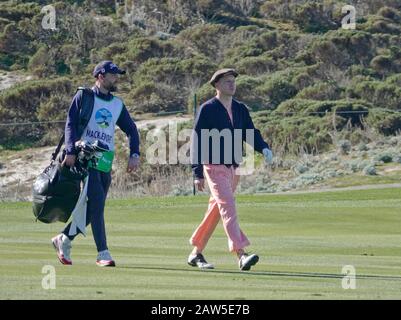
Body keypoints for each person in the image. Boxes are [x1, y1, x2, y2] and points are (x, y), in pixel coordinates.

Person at [51, 61, 140, 267]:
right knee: (98, 202)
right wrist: (71, 150)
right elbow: (70, 124)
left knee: (94, 206)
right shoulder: (84, 96)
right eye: (112, 74)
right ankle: (103, 253)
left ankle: (63, 238)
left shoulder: (117, 104)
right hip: (84, 156)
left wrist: (134, 153)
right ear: (100, 76)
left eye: (117, 74)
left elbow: (132, 130)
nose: (116, 78)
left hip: (105, 159)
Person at [188, 68, 273, 271]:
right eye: (227, 81)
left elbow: (250, 132)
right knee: (228, 207)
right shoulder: (207, 108)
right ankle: (241, 254)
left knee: (216, 211)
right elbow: (196, 140)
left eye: (233, 81)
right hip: (213, 166)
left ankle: (195, 253)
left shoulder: (240, 108)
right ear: (217, 85)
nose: (232, 84)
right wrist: (197, 172)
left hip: (234, 168)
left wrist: (263, 147)